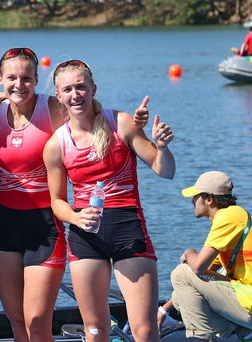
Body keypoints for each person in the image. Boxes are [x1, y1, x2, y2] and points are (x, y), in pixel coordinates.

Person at [0, 48, 151, 342]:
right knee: (16, 321)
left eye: (26, 78)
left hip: (47, 223)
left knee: (37, 322)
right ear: (0, 79)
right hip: (4, 223)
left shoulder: (53, 108)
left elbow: (89, 117)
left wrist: (135, 129)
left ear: (37, 80)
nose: (19, 85)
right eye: (11, 78)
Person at [43, 59, 175, 342]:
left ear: (93, 88)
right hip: (85, 236)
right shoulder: (56, 144)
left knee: (145, 330)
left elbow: (165, 170)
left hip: (128, 228)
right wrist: (77, 218)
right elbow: (56, 201)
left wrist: (161, 148)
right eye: (68, 89)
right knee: (95, 330)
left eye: (81, 86)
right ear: (58, 96)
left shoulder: (122, 123)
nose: (75, 94)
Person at [158, 171, 252, 342]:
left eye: (195, 197)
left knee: (181, 272)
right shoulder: (234, 217)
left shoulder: (228, 217)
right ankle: (246, 332)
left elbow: (197, 267)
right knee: (183, 296)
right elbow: (201, 276)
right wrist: (163, 310)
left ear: (209, 200)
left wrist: (189, 252)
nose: (192, 201)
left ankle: (205, 338)